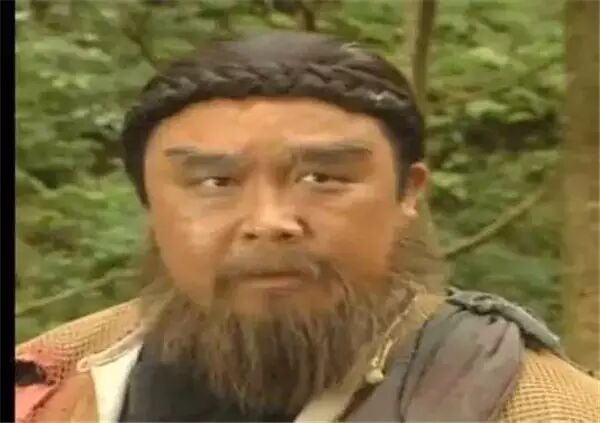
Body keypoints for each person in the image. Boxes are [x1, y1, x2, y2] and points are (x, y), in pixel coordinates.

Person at [16, 31, 599, 422]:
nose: (270, 223)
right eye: (215, 182)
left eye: (323, 178)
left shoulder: (546, 408)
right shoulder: (49, 381)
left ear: (408, 193)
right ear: (150, 202)